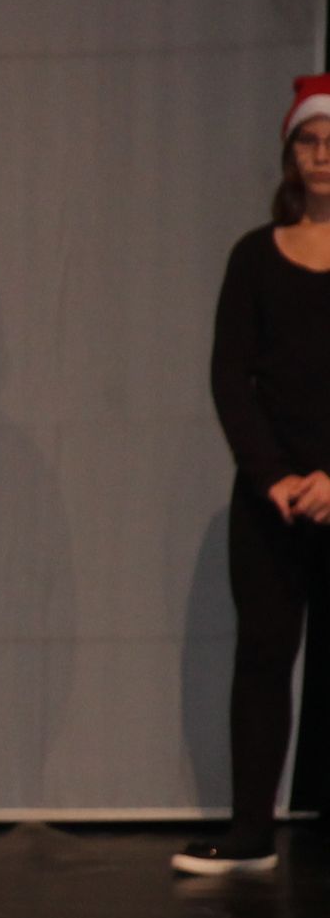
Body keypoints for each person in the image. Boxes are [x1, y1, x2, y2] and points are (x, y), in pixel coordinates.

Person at [174, 76, 330, 874]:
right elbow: (230, 376)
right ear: (290, 153)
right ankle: (250, 833)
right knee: (263, 656)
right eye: (310, 140)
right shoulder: (255, 256)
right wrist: (272, 476)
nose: (323, 155)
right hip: (272, 500)